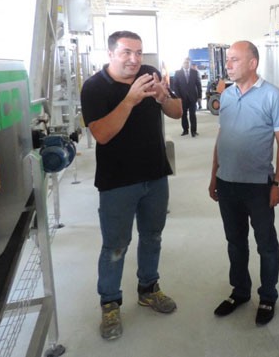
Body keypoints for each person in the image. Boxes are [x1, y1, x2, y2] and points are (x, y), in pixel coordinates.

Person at [80, 30, 182, 340]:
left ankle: (148, 288)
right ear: (110, 53)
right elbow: (102, 134)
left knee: (152, 236)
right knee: (115, 246)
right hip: (117, 182)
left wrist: (163, 97)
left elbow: (177, 112)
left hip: (155, 175)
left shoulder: (149, 74)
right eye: (126, 52)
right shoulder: (94, 87)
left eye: (138, 52)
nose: (134, 59)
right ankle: (110, 303)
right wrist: (130, 100)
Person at [208, 40, 279, 326]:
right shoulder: (227, 95)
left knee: (266, 243)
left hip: (258, 185)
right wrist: (214, 174)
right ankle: (240, 291)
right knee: (235, 242)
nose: (228, 65)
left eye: (234, 59)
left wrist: (278, 184)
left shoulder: (272, 96)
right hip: (227, 182)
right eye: (228, 59)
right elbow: (222, 136)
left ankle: (268, 296)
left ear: (253, 63)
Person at [174, 57, 202, 136]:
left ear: (190, 63)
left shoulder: (194, 72)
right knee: (183, 115)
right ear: (182, 63)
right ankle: (185, 130)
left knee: (193, 114)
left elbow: (198, 85)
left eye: (188, 63)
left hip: (193, 97)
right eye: (185, 62)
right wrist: (178, 97)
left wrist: (199, 96)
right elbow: (175, 86)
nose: (186, 64)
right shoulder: (178, 73)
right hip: (182, 98)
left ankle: (193, 131)